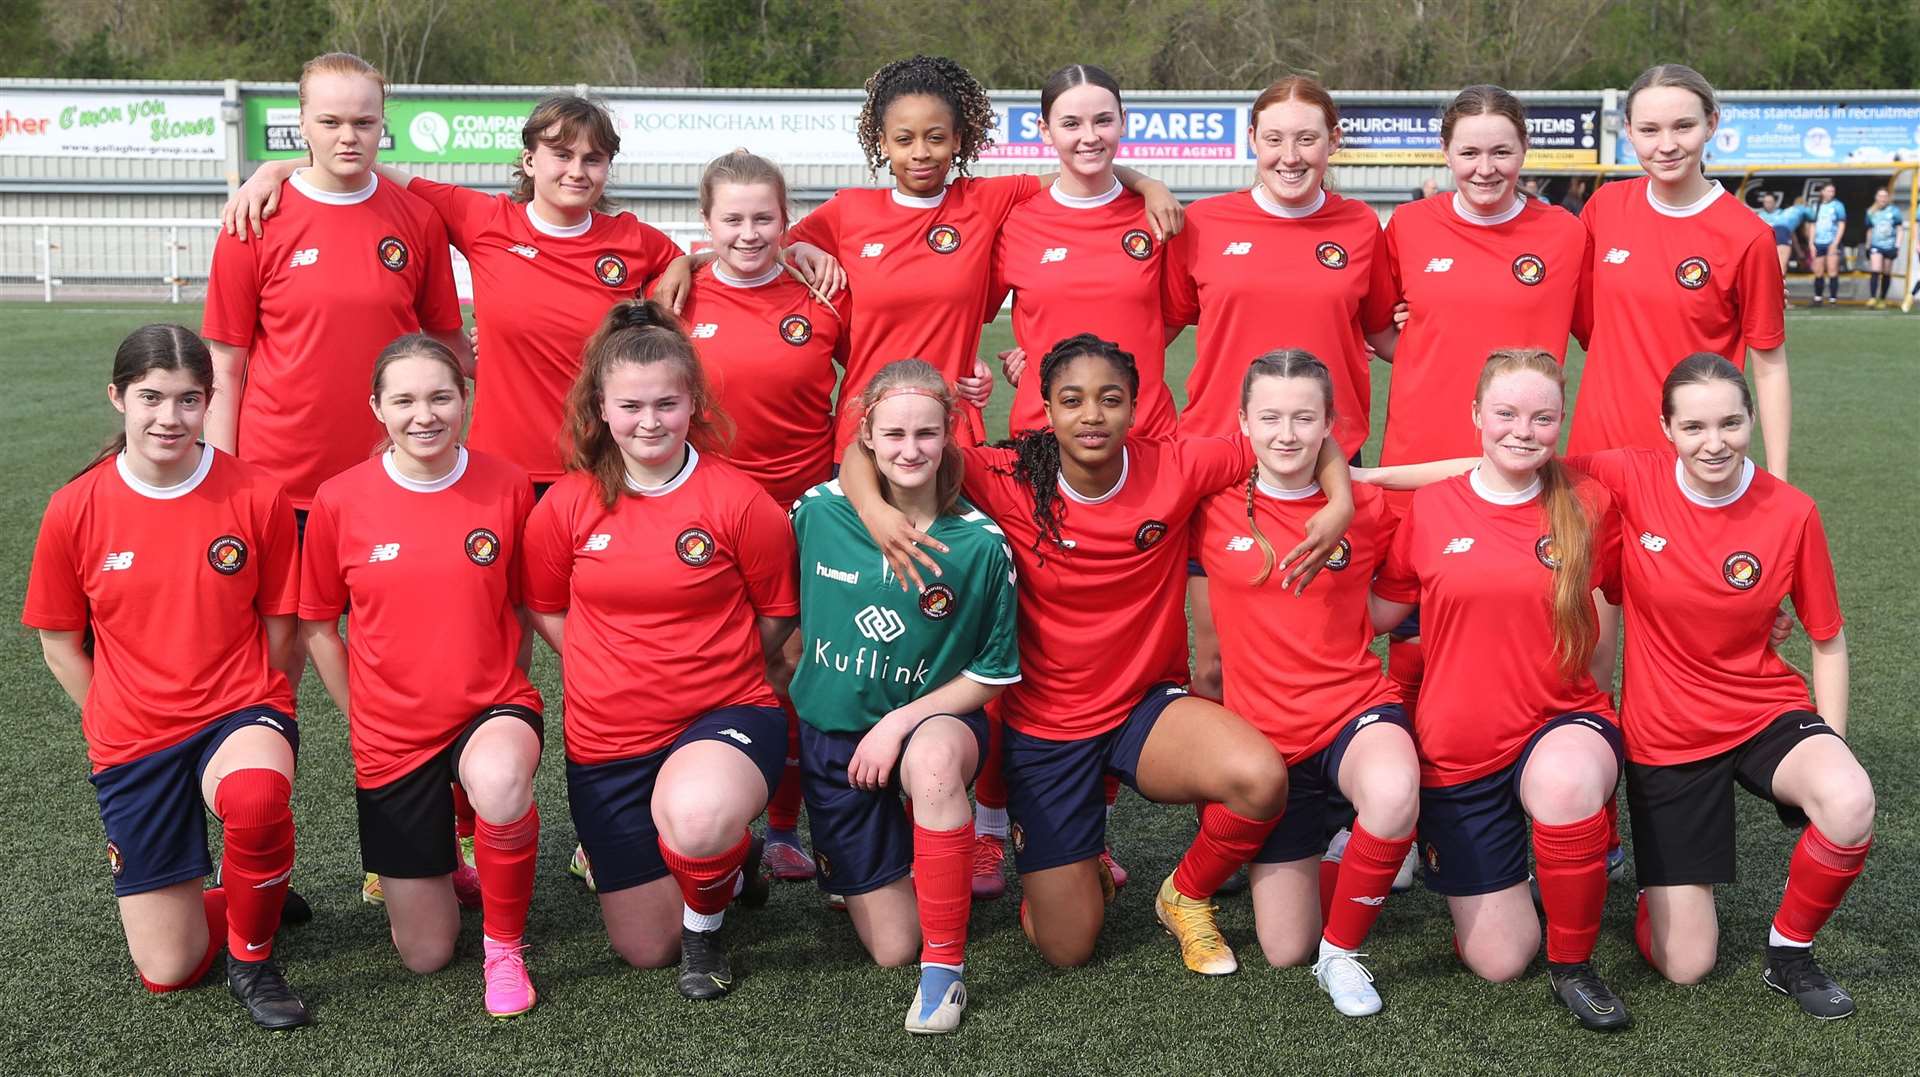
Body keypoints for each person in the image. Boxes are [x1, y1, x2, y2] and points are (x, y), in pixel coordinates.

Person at [839, 333, 1354, 970]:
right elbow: (861, 456)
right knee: (1067, 947)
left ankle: (1184, 894)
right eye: (1072, 400)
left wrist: (1342, 500)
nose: (1092, 416)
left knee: (1259, 777)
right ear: (1045, 410)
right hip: (1047, 731)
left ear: (1135, 407)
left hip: (1145, 708)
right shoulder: (1004, 476)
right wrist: (872, 510)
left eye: (1110, 399)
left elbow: (1304, 437)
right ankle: (1069, 872)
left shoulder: (1177, 464)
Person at [24, 325, 309, 1029]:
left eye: (188, 400)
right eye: (151, 397)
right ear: (117, 396)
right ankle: (251, 892)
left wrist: (267, 712)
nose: (169, 417)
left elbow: (283, 632)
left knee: (255, 795)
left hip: (238, 708)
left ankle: (252, 954)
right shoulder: (76, 508)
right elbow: (60, 642)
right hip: (133, 732)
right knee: (169, 969)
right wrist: (114, 711)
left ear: (210, 403)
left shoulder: (256, 495)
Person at [520, 299, 797, 1000]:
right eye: (632, 406)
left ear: (693, 402)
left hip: (723, 715)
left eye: (667, 404)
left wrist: (714, 661)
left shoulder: (738, 501)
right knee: (644, 946)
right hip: (608, 737)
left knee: (700, 815)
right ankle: (739, 863)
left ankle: (708, 931)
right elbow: (546, 606)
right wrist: (602, 658)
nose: (650, 421)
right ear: (602, 409)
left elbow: (777, 616)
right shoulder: (567, 504)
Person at [1581, 355, 1872, 1019]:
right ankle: (1659, 889)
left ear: (1750, 420)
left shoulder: (1791, 511)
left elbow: (1827, 639)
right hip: (1668, 735)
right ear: (1668, 428)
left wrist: (1832, 740)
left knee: (1850, 798)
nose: (1715, 441)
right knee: (1687, 964)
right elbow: (1507, 469)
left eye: (1731, 423)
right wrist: (1357, 481)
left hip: (1764, 708)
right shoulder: (1632, 474)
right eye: (1695, 426)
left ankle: (1789, 951)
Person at [226, 93, 698, 489]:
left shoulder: (634, 239)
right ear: (530, 161)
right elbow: (363, 169)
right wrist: (276, 169)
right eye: (562, 155)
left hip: (603, 463)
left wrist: (686, 260)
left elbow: (717, 269)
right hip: (502, 470)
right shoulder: (483, 219)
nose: (577, 171)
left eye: (593, 159)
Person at [1367, 349, 1631, 1032]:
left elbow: (1650, 584)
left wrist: (1759, 613)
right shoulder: (1430, 508)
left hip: (1563, 718)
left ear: (1561, 420)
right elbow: (1377, 615)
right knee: (1500, 957)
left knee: (1567, 783)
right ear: (1477, 416)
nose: (1524, 429)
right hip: (1460, 745)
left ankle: (1574, 963)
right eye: (1507, 413)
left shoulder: (1588, 501)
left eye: (1543, 416)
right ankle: (1533, 872)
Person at [298, 336, 544, 1018]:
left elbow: (523, 604)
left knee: (498, 779)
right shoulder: (339, 499)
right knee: (427, 952)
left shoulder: (508, 483)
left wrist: (505, 687)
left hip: (489, 706)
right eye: (403, 400)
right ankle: (455, 868)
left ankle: (504, 949)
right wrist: (358, 711)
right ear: (376, 407)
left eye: (441, 396)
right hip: (391, 731)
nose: (424, 415)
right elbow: (318, 623)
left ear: (465, 398)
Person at [778, 54, 1182, 455]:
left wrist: (1148, 184)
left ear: (957, 140)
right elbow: (761, 247)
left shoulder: (982, 201)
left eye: (935, 137)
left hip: (952, 434)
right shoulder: (847, 210)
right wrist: (800, 246)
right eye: (904, 139)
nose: (920, 152)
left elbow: (1079, 170)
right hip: (863, 432)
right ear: (881, 142)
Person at [788, 359, 1018, 1034]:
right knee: (891, 946)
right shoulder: (818, 512)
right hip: (835, 741)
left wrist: (900, 721)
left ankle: (944, 972)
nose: (909, 449)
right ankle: (897, 869)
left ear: (950, 433)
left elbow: (995, 672)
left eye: (925, 433)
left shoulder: (979, 543)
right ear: (866, 434)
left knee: (936, 761)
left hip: (933, 724)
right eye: (893, 434)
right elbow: (782, 610)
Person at [1189, 351, 1418, 1018]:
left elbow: (1395, 593)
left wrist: (1349, 488)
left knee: (1395, 786)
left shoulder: (1368, 507)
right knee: (1283, 943)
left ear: (1329, 426)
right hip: (1267, 741)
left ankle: (1343, 954)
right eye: (1269, 417)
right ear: (1242, 421)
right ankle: (1353, 853)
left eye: (1303, 417)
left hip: (1353, 709)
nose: (1286, 433)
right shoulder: (1211, 503)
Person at [1163, 74, 1397, 703]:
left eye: (1307, 139)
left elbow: (1385, 334)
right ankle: (1227, 797)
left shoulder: (1360, 228)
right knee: (1213, 661)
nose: (1290, 155)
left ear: (1334, 142)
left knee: (1323, 645)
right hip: (1219, 460)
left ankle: (1316, 780)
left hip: (1325, 464)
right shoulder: (1204, 223)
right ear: (1252, 141)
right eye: (1274, 139)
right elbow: (1150, 325)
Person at [676, 150, 848, 883]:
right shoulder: (676, 298)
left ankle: (782, 830)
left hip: (808, 515)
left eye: (764, 218)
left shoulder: (828, 292)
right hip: (706, 522)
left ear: (787, 219)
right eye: (732, 219)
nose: (749, 234)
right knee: (712, 668)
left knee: (797, 668)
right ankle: (712, 827)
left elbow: (874, 374)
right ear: (706, 222)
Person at [204, 51, 467, 515]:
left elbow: (447, 345)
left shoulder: (418, 220)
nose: (348, 137)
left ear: (381, 124)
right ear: (302, 123)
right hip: (277, 483)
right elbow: (224, 369)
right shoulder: (254, 219)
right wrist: (224, 476)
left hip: (392, 475)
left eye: (364, 123)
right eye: (330, 122)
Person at [1571, 64, 1789, 477]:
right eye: (1650, 130)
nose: (1667, 145)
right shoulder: (1604, 208)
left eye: (1683, 126)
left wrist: (1777, 480)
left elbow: (1770, 365)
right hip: (1595, 457)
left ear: (1711, 124)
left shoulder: (1748, 236)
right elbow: (1561, 302)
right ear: (1629, 131)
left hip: (1690, 465)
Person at [988, 63, 1178, 441]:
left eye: (1103, 121)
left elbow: (1173, 317)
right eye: (1071, 124)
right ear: (1045, 131)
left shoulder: (1157, 216)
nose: (1089, 136)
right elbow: (960, 314)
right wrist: (1039, 352)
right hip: (1041, 436)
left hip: (1144, 435)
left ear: (1124, 122)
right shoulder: (1014, 223)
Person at [1864, 187, 1904, 308]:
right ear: (1876, 197)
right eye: (1880, 196)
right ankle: (1872, 298)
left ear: (1888, 198)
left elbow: (1900, 229)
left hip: (1889, 245)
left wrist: (1897, 246)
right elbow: (1870, 230)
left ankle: (1882, 298)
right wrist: (1867, 246)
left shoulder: (1894, 211)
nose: (1882, 198)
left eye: (1885, 196)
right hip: (1876, 245)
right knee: (1875, 270)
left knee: (1886, 272)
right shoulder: (1871, 212)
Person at [1808, 182, 1847, 306]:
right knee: (1818, 271)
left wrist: (1836, 242)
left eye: (1833, 191)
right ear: (1822, 192)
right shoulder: (1816, 206)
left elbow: (1841, 224)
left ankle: (1833, 299)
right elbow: (1812, 225)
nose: (1831, 193)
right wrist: (1811, 243)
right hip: (1818, 242)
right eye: (1829, 191)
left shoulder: (1838, 205)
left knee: (1832, 270)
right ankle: (1818, 298)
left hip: (1831, 242)